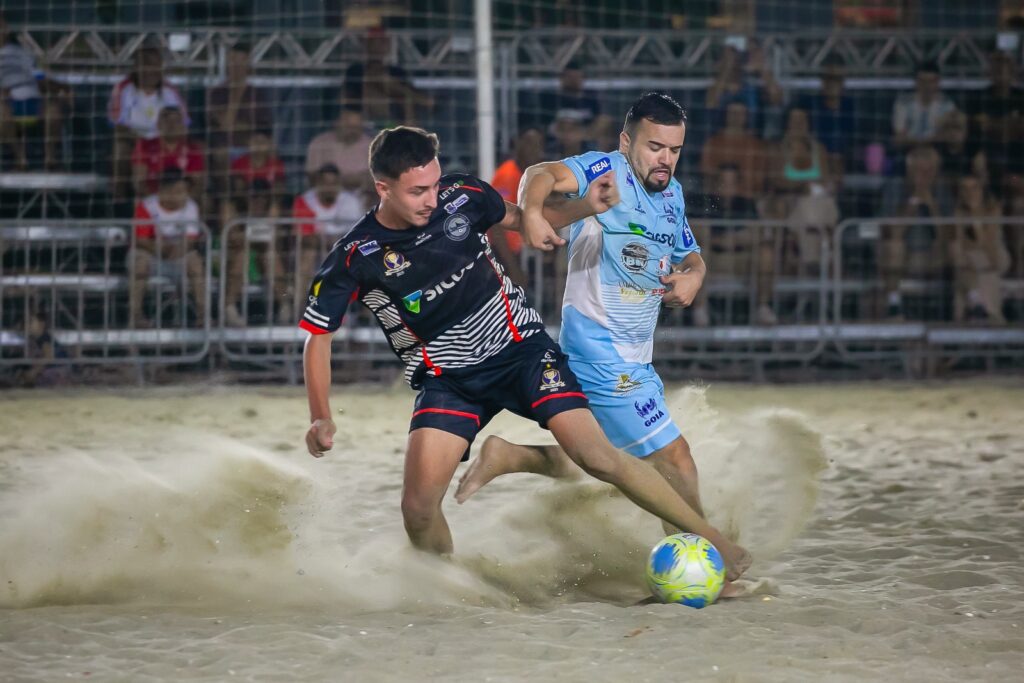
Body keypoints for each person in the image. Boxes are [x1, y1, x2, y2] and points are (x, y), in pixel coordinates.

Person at [300, 125, 751, 580]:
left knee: (599, 458)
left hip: (522, 353)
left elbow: (522, 219)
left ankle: (710, 540)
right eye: (418, 191)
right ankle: (444, 584)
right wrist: (321, 416)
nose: (432, 199)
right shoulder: (355, 256)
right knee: (417, 509)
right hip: (450, 381)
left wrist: (583, 208)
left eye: (435, 184)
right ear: (383, 188)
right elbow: (317, 338)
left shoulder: (463, 196)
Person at [452, 93, 749, 588]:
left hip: (636, 356)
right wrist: (530, 212)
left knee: (609, 461)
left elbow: (690, 254)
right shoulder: (604, 170)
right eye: (655, 147)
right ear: (627, 141)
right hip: (600, 351)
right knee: (673, 459)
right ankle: (707, 558)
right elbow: (539, 175)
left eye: (675, 150)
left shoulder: (670, 193)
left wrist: (696, 275)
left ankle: (510, 455)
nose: (665, 160)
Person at [108, 44, 189, 201]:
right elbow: (117, 127)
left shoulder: (170, 90)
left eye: (155, 64)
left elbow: (184, 124)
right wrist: (143, 141)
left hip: (165, 142)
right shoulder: (123, 89)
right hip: (135, 142)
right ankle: (119, 202)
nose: (151, 69)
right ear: (137, 67)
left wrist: (164, 139)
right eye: (146, 63)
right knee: (120, 149)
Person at [129, 169, 206, 328]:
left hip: (178, 256)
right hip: (151, 256)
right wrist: (162, 249)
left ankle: (202, 315)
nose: (184, 195)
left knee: (195, 262)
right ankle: (136, 315)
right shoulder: (147, 206)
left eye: (185, 191)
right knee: (140, 262)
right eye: (179, 191)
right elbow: (142, 240)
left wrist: (174, 251)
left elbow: (190, 241)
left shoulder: (191, 207)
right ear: (165, 191)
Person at [0, 13, 71, 170]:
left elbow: (38, 74)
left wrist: (60, 87)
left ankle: (50, 158)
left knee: (54, 111)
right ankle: (20, 159)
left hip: (33, 99)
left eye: (3, 26)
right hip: (8, 102)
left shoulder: (21, 52)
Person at [206, 41, 273, 203]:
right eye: (233, 61)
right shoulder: (216, 93)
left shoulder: (257, 94)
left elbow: (263, 128)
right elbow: (226, 125)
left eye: (242, 61)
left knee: (269, 150)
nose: (237, 66)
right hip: (225, 148)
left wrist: (244, 128)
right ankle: (228, 202)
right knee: (221, 156)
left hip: (251, 148)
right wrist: (236, 91)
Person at [949, 173, 1010, 324]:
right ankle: (981, 308)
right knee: (967, 266)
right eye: (965, 189)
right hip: (971, 264)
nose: (970, 193)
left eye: (974, 188)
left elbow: (987, 244)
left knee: (977, 260)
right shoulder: (958, 213)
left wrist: (975, 216)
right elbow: (960, 244)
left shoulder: (993, 209)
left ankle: (976, 302)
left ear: (982, 190)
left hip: (993, 256)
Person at [488, 127, 545, 286]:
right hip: (498, 252)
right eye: (529, 144)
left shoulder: (525, 174)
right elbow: (496, 224)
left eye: (538, 145)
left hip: (513, 251)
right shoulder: (508, 174)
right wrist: (513, 267)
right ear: (518, 145)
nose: (534, 150)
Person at [293, 163, 365, 286]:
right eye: (325, 183)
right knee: (309, 251)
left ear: (339, 185)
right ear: (317, 184)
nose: (329, 187)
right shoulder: (305, 201)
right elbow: (306, 237)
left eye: (333, 183)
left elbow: (359, 235)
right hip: (317, 252)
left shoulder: (351, 201)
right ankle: (300, 303)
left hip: (346, 252)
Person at [130, 106, 205, 200]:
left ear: (183, 126)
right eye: (167, 120)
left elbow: (197, 184)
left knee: (206, 202)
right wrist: (160, 204)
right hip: (153, 200)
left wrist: (182, 203)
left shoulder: (192, 149)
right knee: (137, 201)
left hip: (183, 201)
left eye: (177, 121)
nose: (172, 125)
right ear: (158, 124)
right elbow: (139, 182)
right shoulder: (144, 146)